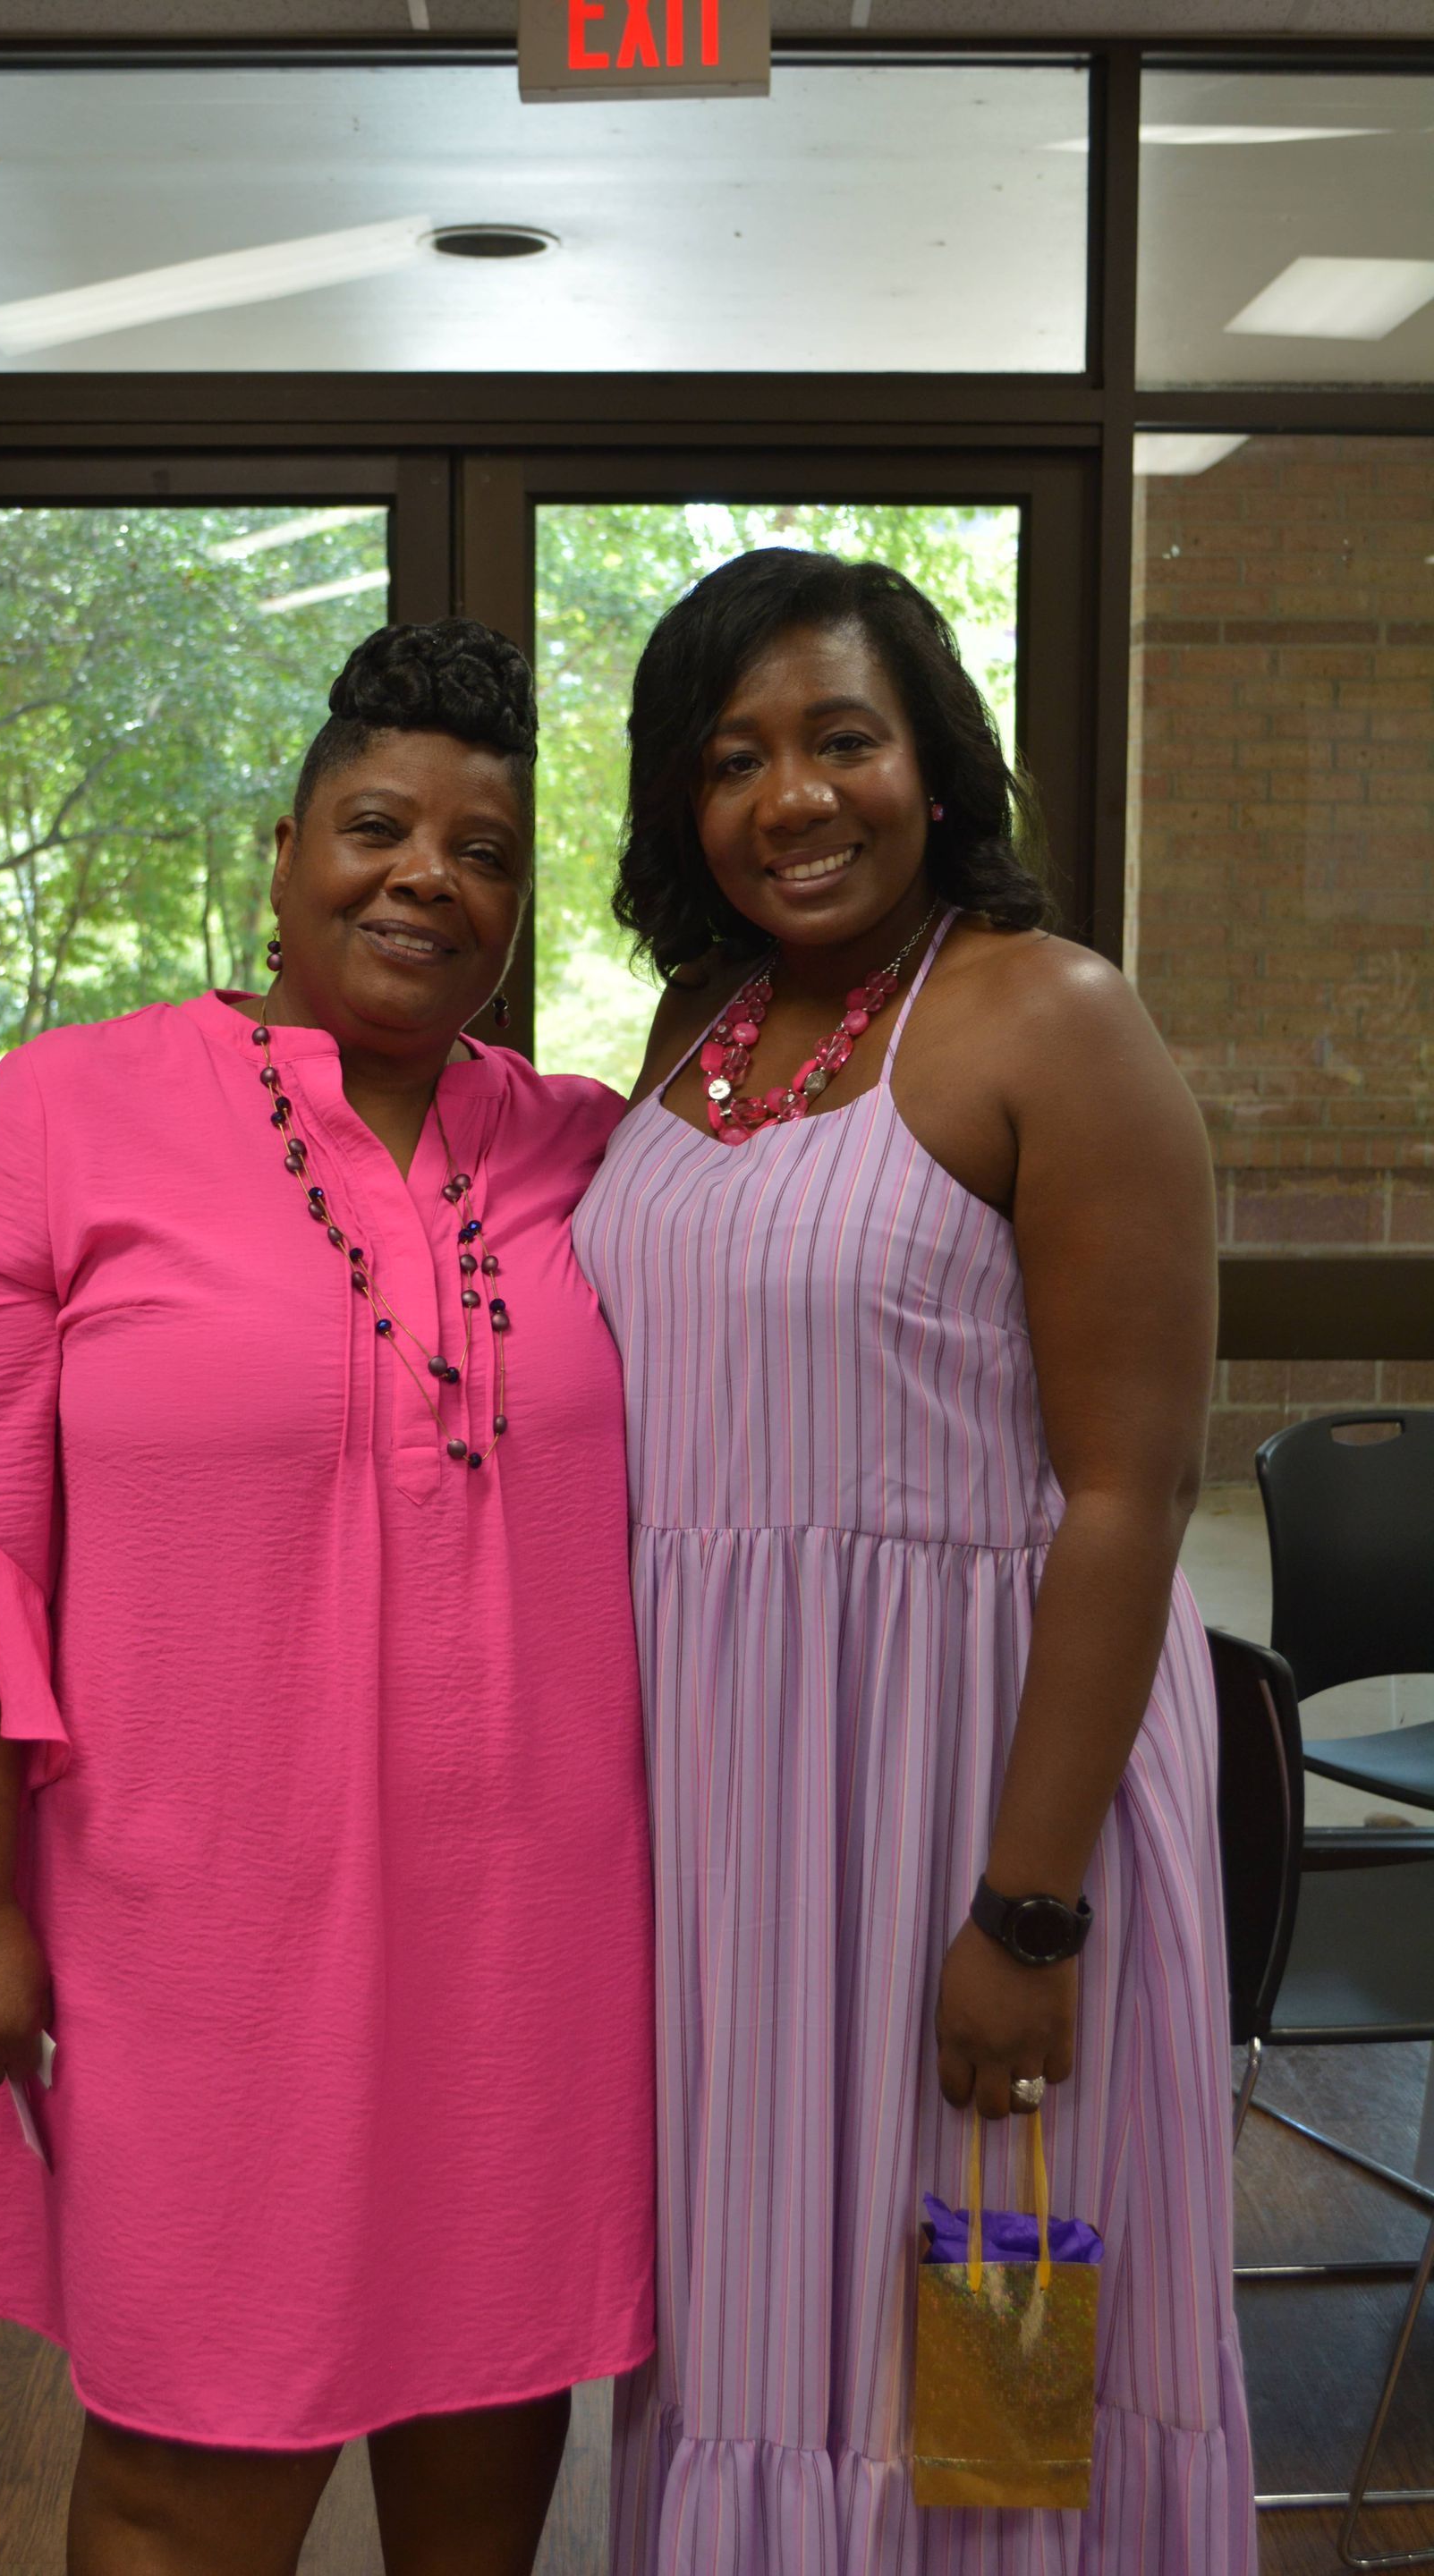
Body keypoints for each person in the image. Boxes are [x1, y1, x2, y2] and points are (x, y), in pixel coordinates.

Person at [0, 621, 655, 2576]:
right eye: (377, 828)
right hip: (195, 1946)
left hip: (532, 1943)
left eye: (486, 852)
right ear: (283, 853)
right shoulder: (67, 1116)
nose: (429, 877)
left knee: (492, 2424)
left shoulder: (587, 1150)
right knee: (194, 2464)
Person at [573, 552, 1254, 2573]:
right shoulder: (695, 1031)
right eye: (734, 758)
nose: (793, 796)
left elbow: (1131, 1494)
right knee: (756, 2322)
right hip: (726, 1834)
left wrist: (1028, 1915)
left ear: (933, 767)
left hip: (976, 1795)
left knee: (988, 2344)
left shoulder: (1054, 1016)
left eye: (841, 739)